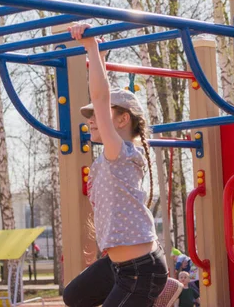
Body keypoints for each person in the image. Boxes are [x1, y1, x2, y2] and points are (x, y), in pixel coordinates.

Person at [62, 23, 169, 306]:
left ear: (122, 120)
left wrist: (92, 47)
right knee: (74, 296)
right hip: (118, 267)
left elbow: (100, 96)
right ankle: (166, 290)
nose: (90, 120)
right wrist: (102, 57)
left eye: (97, 115)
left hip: (142, 270)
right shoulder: (110, 157)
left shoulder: (120, 151)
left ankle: (164, 290)